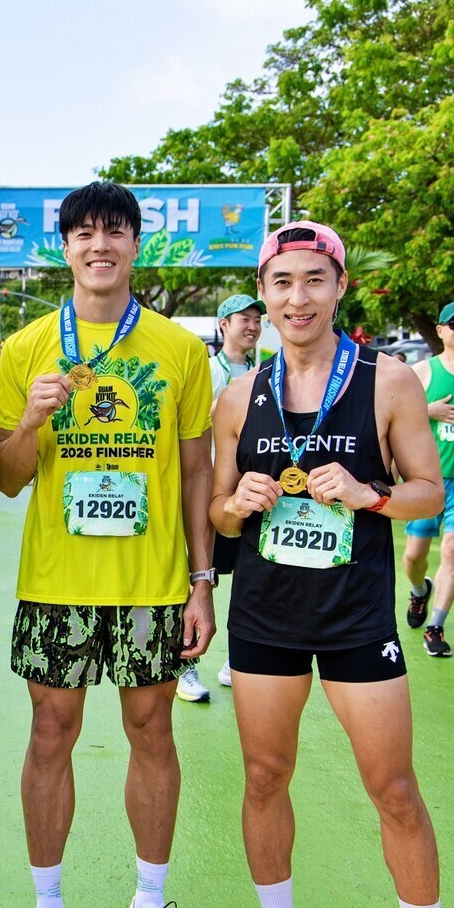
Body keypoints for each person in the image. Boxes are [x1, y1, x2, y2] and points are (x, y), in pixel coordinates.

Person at [211, 221, 454, 908]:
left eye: (314, 280)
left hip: (357, 615)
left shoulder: (386, 380)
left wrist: (371, 494)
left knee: (394, 788)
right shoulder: (238, 394)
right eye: (282, 282)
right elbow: (215, 511)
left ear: (339, 286)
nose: (297, 297)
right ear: (265, 292)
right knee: (262, 775)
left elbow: (428, 489)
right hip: (265, 616)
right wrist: (235, 503)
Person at [0, 182, 215, 908]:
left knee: (153, 729)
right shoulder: (25, 349)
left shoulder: (177, 349)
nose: (99, 247)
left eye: (114, 233)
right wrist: (31, 422)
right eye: (84, 234)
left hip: (152, 581)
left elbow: (197, 470)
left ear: (134, 244)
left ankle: (148, 906)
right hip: (57, 581)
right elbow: (7, 477)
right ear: (64, 248)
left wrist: (201, 578)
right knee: (50, 733)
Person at [177, 293, 265, 702]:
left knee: (247, 578)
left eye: (255, 319)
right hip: (209, 491)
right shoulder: (206, 370)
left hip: (252, 495)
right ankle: (186, 667)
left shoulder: (268, 371)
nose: (250, 325)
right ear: (223, 325)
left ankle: (235, 660)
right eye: (241, 319)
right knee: (196, 579)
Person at [401, 300, 454, 658]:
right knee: (414, 556)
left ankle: (436, 626)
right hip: (428, 480)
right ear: (440, 331)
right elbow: (397, 410)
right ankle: (418, 592)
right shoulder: (423, 371)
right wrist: (432, 410)